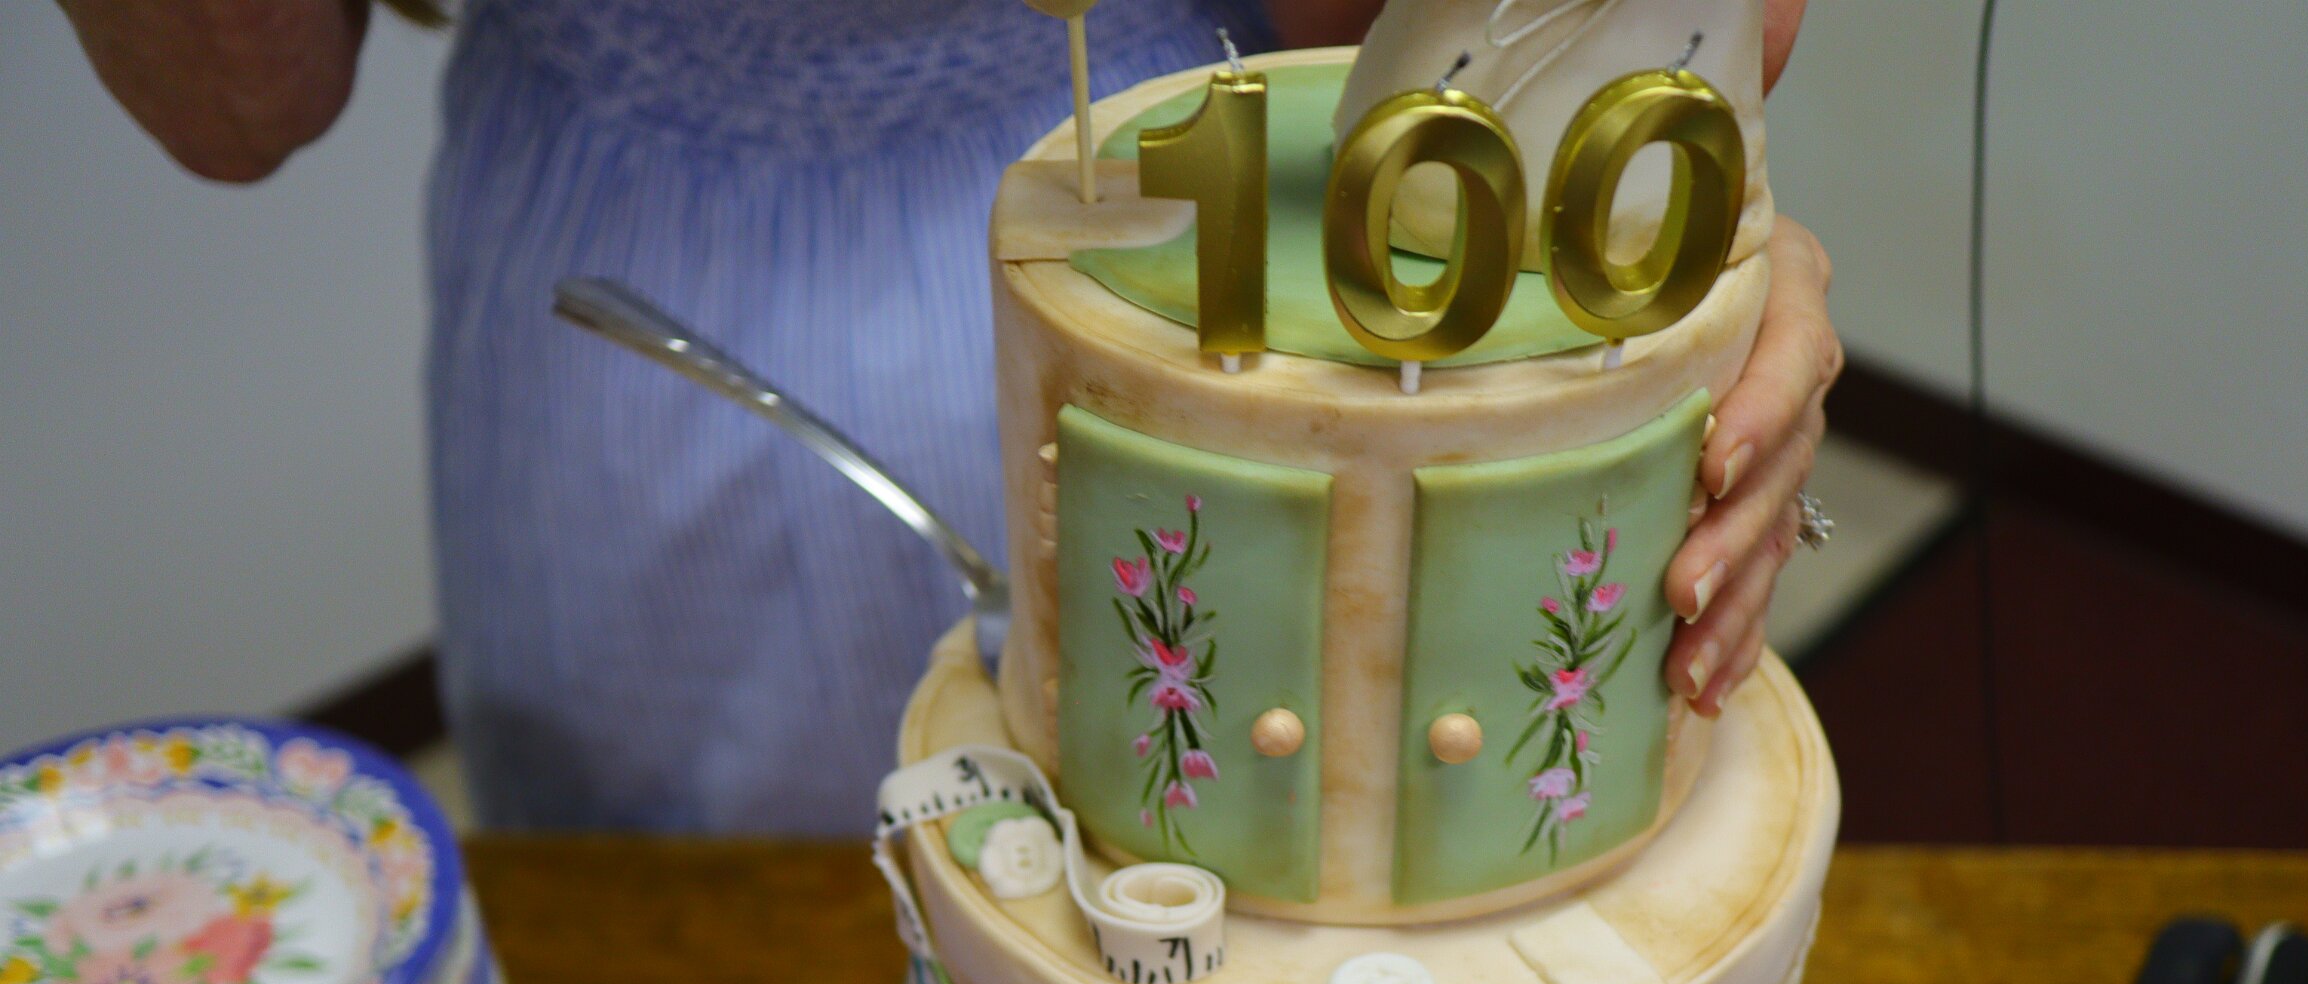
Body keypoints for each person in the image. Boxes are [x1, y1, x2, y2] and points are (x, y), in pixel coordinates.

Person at [60, 0, 1841, 833]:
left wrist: (1682, 250)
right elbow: (236, 98)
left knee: (1197, 967)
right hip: (614, 291)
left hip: (1171, 220)